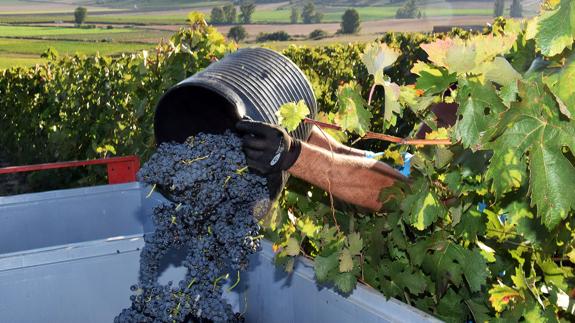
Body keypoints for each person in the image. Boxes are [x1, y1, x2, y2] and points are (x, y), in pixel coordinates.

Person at [235, 121, 406, 211]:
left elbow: (397, 194)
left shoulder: (430, 185)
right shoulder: (416, 160)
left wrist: (291, 154)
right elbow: (343, 155)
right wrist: (291, 125)